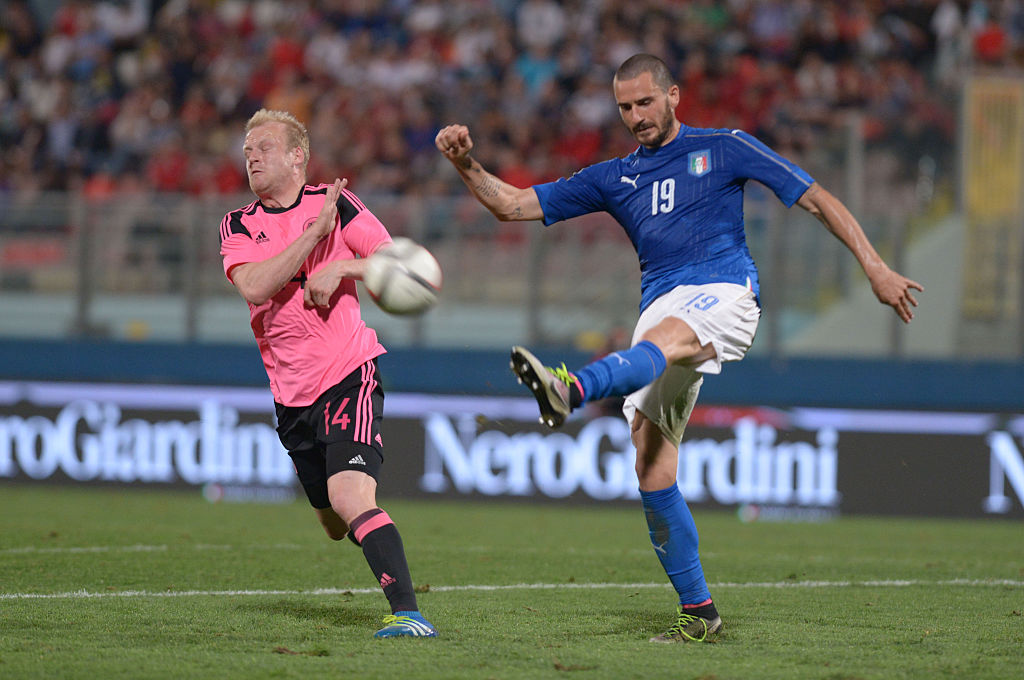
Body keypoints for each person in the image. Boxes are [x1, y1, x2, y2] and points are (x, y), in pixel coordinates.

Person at [436, 54, 922, 643]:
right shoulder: (613, 177)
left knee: (667, 341)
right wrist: (466, 163)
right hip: (659, 307)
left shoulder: (727, 146)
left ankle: (572, 389)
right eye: (624, 107)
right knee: (651, 464)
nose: (636, 116)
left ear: (673, 95)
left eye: (645, 102)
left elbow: (817, 198)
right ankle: (700, 613)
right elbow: (510, 205)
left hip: (725, 291)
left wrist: (874, 268)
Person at [219, 109, 437, 638]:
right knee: (334, 524)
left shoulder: (335, 204)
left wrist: (342, 264)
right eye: (247, 148)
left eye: (264, 146)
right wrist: (312, 239)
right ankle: (365, 544)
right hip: (291, 396)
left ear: (298, 156)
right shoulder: (239, 222)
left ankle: (409, 614)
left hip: (348, 372)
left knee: (351, 498)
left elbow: (403, 262)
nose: (251, 155)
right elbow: (254, 286)